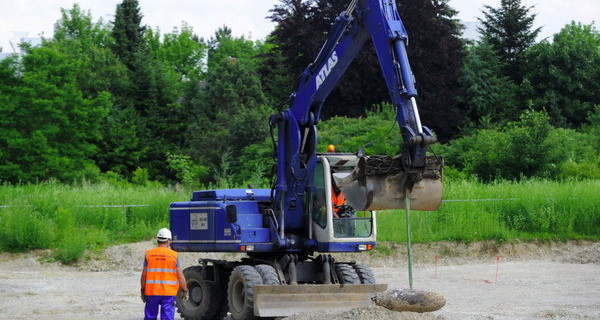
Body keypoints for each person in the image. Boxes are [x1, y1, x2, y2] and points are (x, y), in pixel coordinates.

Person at [140, 228, 189, 320]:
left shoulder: (149, 254)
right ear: (168, 241)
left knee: (150, 317)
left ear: (157, 239)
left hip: (151, 291)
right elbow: (180, 275)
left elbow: (144, 275)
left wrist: (143, 290)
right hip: (168, 293)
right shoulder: (174, 255)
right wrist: (184, 290)